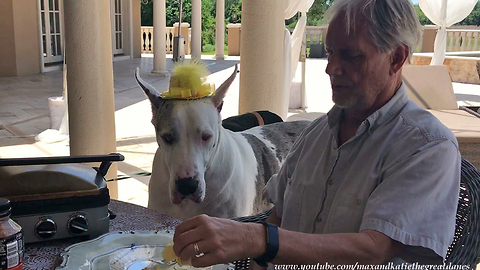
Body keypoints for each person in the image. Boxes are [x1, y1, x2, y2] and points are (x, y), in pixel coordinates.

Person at [170, 0, 461, 267]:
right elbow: (277, 219)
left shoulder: (427, 147)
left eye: (350, 56)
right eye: (331, 53)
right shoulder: (316, 135)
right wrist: (259, 253)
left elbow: (375, 248)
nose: (331, 68)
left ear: (396, 58)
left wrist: (253, 238)